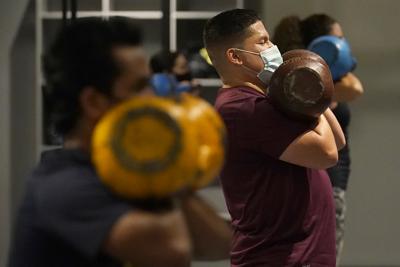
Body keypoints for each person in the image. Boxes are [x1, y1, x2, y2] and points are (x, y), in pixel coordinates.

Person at [8, 17, 232, 267]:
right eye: (139, 87)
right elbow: (174, 252)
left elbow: (219, 244)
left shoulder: (123, 168)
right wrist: (160, 156)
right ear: (93, 102)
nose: (152, 96)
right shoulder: (64, 185)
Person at [203, 9, 346, 266]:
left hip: (303, 254)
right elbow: (326, 155)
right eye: (262, 42)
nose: (273, 48)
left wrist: (309, 89)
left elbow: (337, 140)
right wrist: (307, 90)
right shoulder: (242, 108)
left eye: (269, 39)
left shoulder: (266, 99)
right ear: (235, 57)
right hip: (280, 257)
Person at [273, 14, 364, 264]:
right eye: (338, 39)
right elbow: (355, 90)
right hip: (318, 183)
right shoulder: (301, 81)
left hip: (331, 181)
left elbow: (354, 86)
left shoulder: (326, 78)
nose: (344, 44)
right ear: (322, 45)